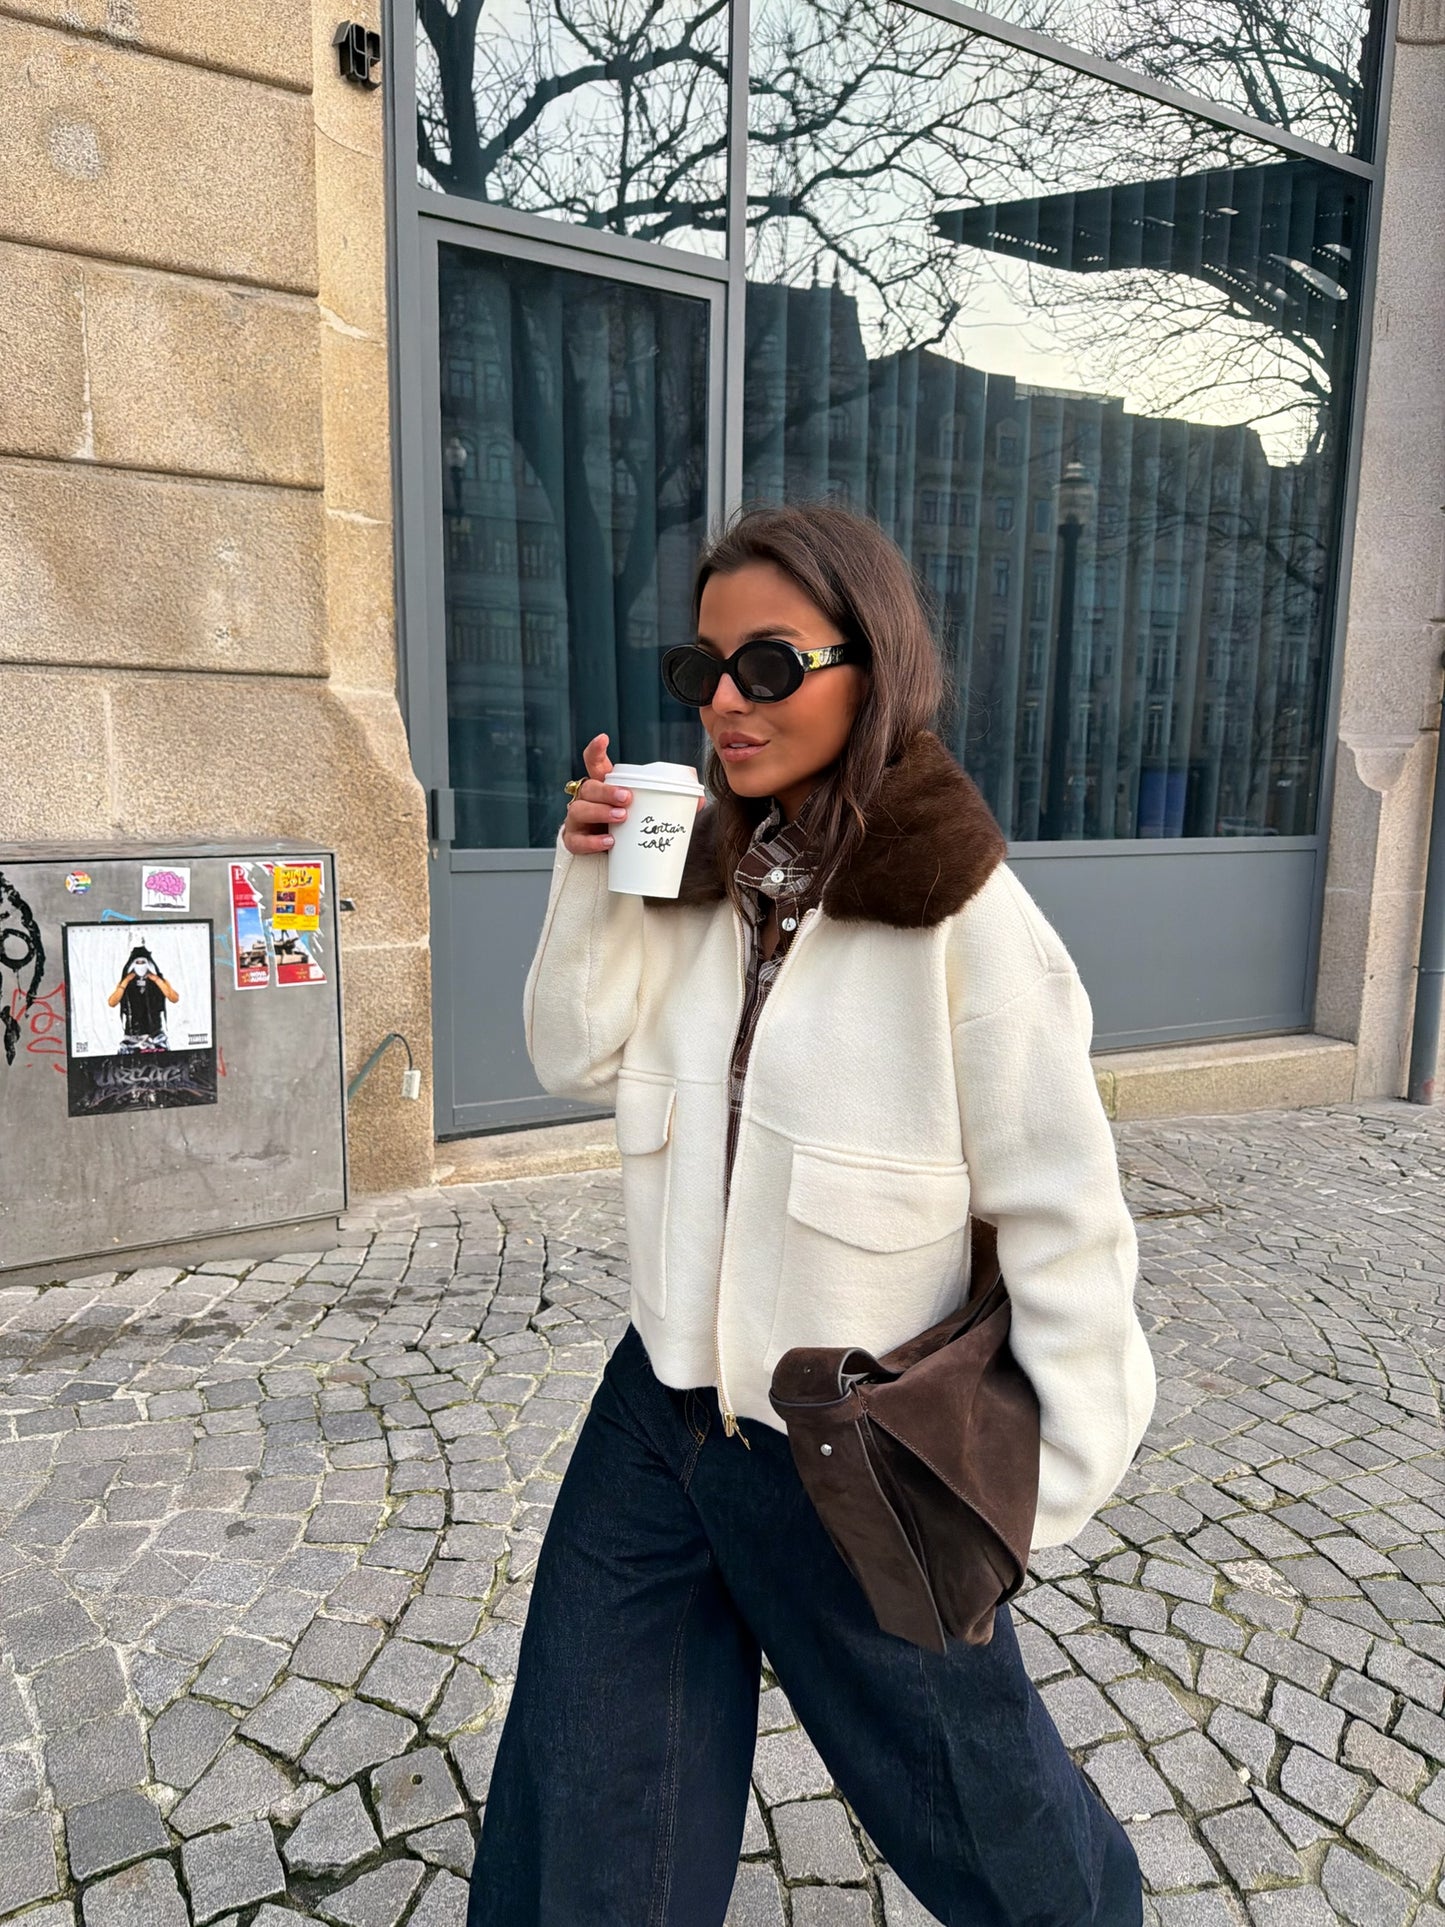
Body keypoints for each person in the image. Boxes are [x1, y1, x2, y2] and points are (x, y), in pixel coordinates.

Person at [467, 503, 1157, 1927]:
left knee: (982, 1809)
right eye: (703, 667)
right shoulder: (702, 868)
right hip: (660, 1413)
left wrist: (1037, 1485)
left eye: (768, 663)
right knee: (594, 1797)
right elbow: (571, 1053)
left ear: (873, 666)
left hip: (851, 1444)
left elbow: (1062, 1213)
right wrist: (592, 875)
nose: (725, 699)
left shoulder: (967, 915)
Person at [107, 945, 179, 1051]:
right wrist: (126, 980)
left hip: (155, 1036)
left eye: (143, 962)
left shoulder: (160, 981)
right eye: (138, 963)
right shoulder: (125, 984)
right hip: (133, 1038)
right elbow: (112, 1002)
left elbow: (174, 998)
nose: (140, 966)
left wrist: (156, 979)